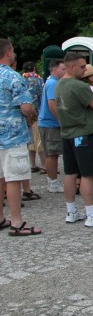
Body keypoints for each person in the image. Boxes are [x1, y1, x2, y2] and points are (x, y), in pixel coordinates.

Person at [54, 53, 93, 227]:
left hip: (67, 134)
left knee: (70, 173)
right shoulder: (79, 86)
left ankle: (71, 211)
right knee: (87, 174)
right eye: (82, 67)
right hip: (84, 133)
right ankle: (91, 214)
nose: (85, 70)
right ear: (71, 67)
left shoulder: (58, 85)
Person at [0, 39, 42, 236]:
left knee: (0, 177)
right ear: (8, 52)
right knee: (14, 179)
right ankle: (17, 222)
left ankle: (0, 218)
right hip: (12, 135)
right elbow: (26, 107)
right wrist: (31, 111)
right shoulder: (12, 77)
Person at [38, 58, 66, 193]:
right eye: (63, 69)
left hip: (46, 122)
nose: (65, 71)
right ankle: (53, 182)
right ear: (55, 70)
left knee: (51, 153)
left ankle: (51, 181)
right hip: (51, 124)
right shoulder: (53, 84)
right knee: (53, 154)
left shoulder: (50, 82)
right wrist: (62, 120)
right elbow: (52, 104)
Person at [21, 61, 45, 176]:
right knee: (39, 139)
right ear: (34, 69)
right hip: (37, 112)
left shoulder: (21, 79)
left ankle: (32, 164)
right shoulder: (39, 80)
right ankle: (44, 165)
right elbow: (42, 96)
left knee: (30, 140)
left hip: (24, 113)